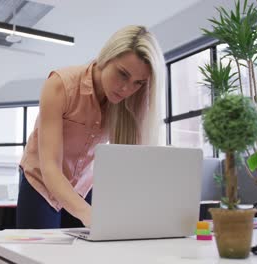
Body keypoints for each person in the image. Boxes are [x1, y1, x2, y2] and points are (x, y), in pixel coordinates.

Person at [16, 25, 166, 229]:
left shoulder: (131, 102)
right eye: (122, 74)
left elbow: (132, 167)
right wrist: (87, 213)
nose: (126, 88)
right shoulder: (60, 85)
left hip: (83, 186)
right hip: (41, 181)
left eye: (138, 83)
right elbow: (50, 167)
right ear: (106, 58)